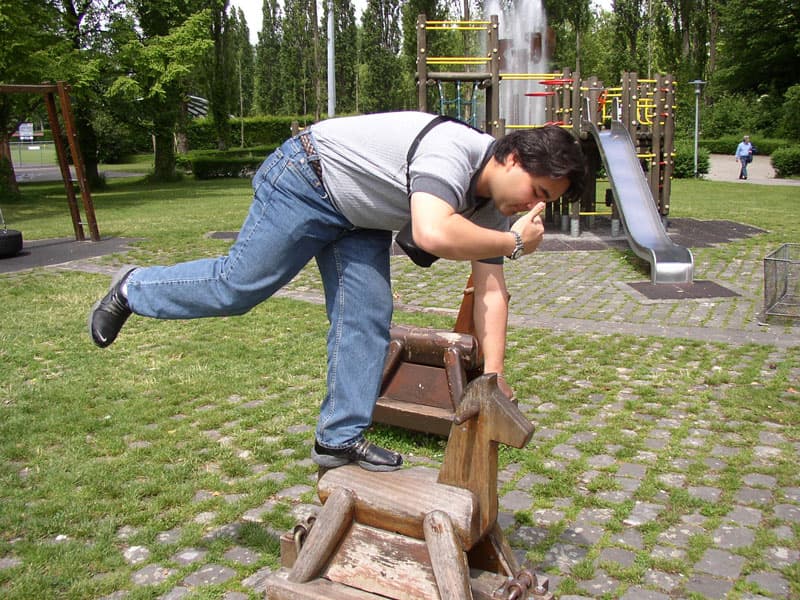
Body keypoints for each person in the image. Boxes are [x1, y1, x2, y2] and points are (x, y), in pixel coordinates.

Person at [89, 111, 586, 472]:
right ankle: (134, 288)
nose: (532, 205)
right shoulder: (453, 151)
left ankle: (338, 439)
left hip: (360, 214)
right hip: (308, 177)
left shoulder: (493, 209)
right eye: (537, 191)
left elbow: (491, 293)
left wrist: (493, 377)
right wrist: (516, 242)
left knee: (367, 319)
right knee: (238, 287)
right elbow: (433, 234)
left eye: (544, 201)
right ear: (514, 156)